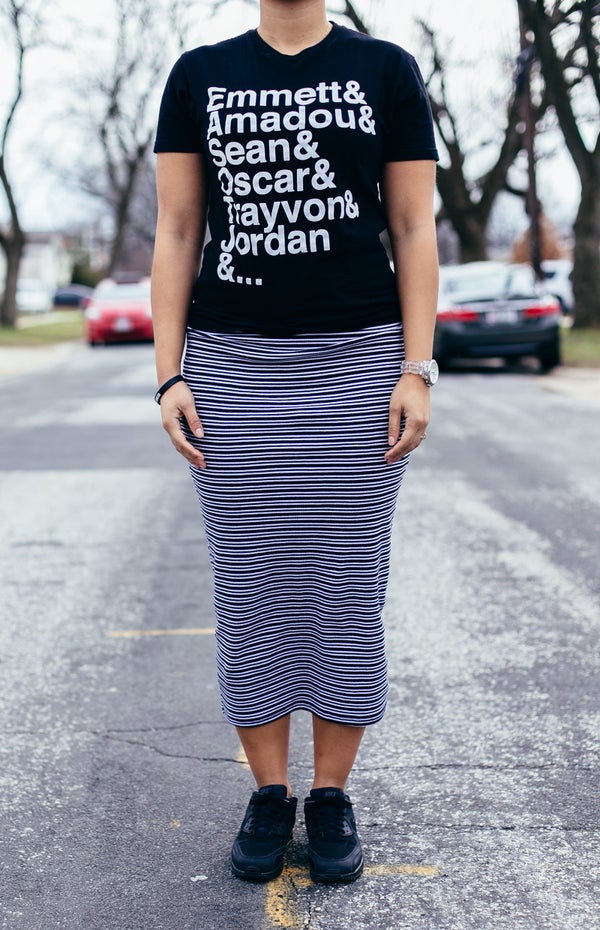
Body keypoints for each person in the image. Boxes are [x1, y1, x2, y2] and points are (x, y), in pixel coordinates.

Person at [151, 0, 439, 885]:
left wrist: (417, 368)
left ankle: (331, 795)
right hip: (232, 365)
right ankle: (270, 794)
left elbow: (413, 227)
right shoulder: (198, 76)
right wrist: (169, 375)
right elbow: (178, 230)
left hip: (359, 363)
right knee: (249, 587)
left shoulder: (385, 70)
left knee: (348, 587)